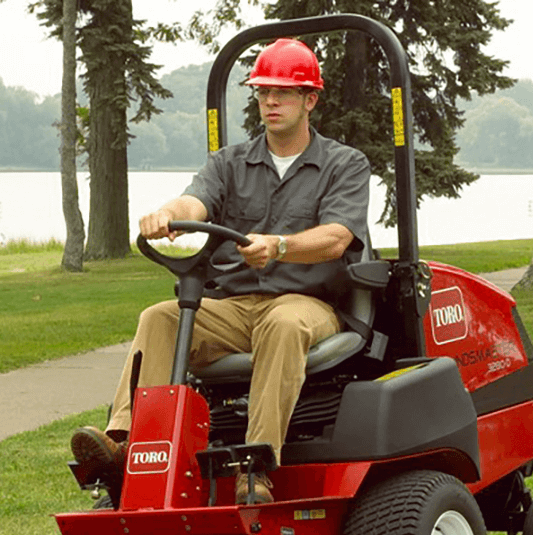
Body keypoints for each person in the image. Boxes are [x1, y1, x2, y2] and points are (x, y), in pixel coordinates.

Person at [71, 38, 371, 504]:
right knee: (161, 317)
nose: (271, 101)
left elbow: (336, 238)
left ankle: (256, 467)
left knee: (282, 322)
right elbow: (197, 199)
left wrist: (280, 246)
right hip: (233, 305)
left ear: (310, 99)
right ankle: (128, 446)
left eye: (284, 93)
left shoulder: (343, 164)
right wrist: (168, 214)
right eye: (263, 92)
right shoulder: (230, 162)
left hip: (308, 303)